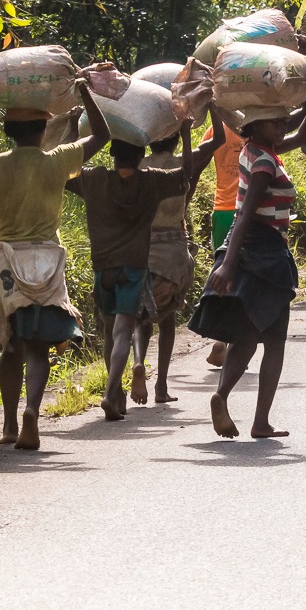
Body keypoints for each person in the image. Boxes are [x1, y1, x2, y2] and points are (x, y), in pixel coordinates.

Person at [0, 80, 110, 450]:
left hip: (6, 263)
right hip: (47, 261)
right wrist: (85, 93)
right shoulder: (59, 161)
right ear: (44, 128)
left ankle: (10, 424)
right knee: (39, 347)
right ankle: (32, 414)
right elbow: (101, 136)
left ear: (9, 131)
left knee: (10, 345)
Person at [189, 94, 306, 439]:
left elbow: (302, 129)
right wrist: (227, 266)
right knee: (275, 341)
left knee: (247, 334)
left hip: (248, 249)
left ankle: (221, 395)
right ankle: (261, 421)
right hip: (263, 253)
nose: (282, 124)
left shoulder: (254, 150)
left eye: (282, 120)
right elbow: (246, 214)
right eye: (276, 121)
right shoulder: (265, 163)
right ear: (256, 124)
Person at [67, 120, 193, 421]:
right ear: (140, 157)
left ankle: (118, 393)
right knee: (125, 331)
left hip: (103, 270)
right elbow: (185, 173)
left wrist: (73, 128)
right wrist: (186, 134)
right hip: (133, 269)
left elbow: (67, 166)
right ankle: (111, 392)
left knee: (110, 332)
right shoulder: (150, 181)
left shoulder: (95, 179)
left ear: (112, 155)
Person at [134, 105, 227, 403]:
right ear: (175, 139)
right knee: (167, 320)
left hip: (141, 250)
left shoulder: (139, 166)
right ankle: (161, 385)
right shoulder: (182, 165)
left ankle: (137, 362)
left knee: (140, 319)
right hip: (173, 254)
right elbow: (218, 140)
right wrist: (207, 112)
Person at [199, 120, 244, 368]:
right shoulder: (252, 125)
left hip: (222, 209)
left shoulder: (216, 129)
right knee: (243, 275)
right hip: (248, 209)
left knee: (222, 271)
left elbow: (199, 159)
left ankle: (220, 339)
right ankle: (233, 340)